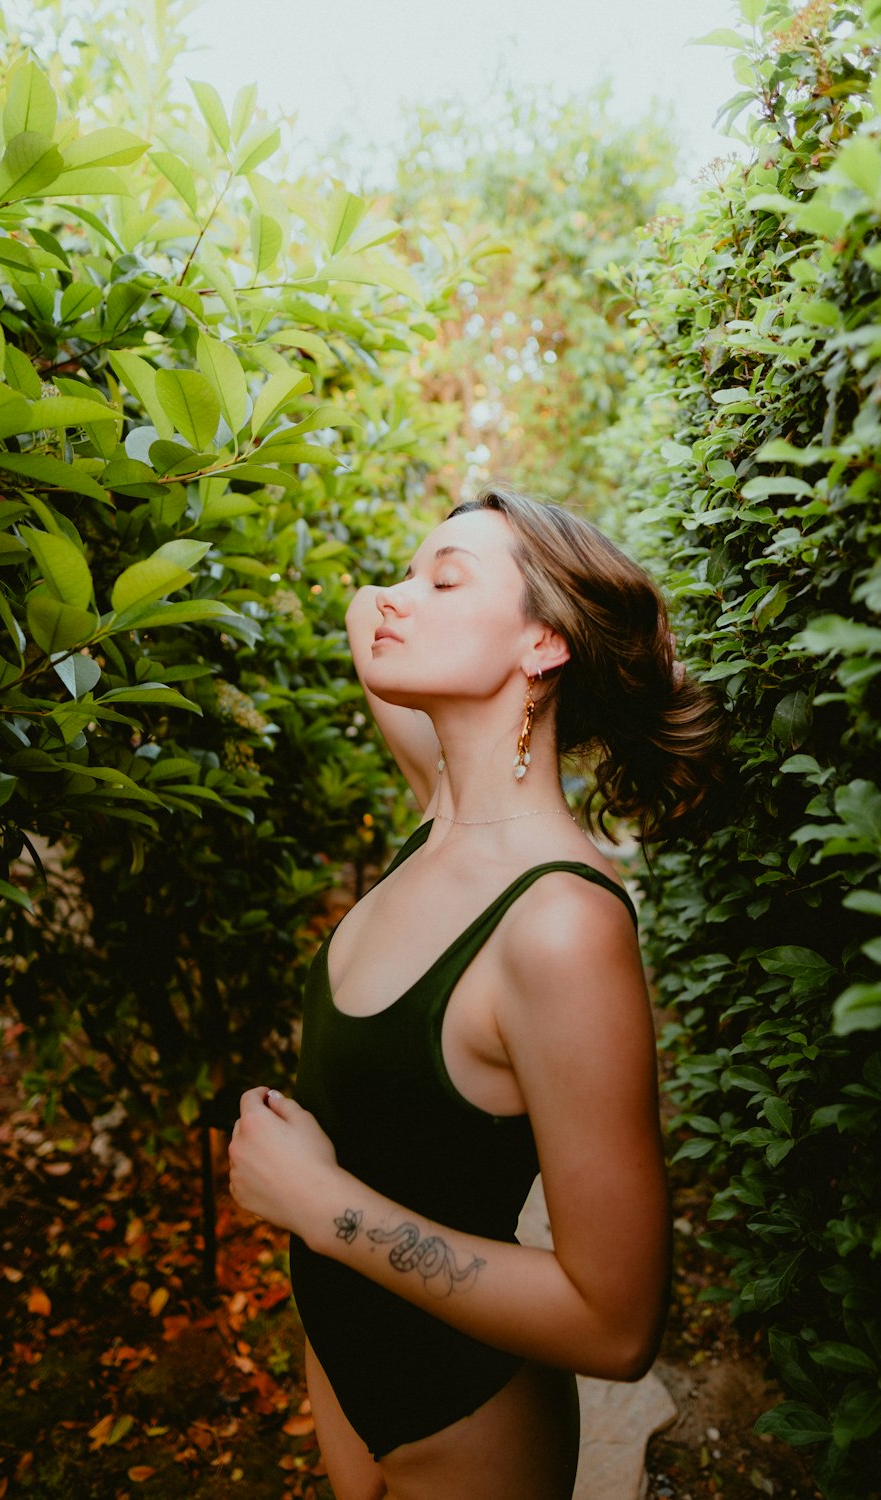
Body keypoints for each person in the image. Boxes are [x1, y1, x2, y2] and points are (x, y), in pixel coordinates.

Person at [228, 486, 721, 1500]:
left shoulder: (559, 925)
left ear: (542, 645)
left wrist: (322, 1209)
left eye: (442, 580)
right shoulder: (438, 815)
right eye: (410, 572)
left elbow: (618, 1324)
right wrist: (442, 561)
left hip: (467, 1425)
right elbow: (366, 614)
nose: (395, 597)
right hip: (342, 1379)